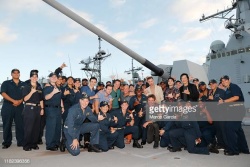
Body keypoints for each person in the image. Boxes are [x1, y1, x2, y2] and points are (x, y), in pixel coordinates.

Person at [219, 75, 249, 156]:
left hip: (237, 110)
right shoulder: (227, 90)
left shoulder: (233, 86)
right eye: (222, 81)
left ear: (229, 80)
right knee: (238, 130)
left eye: (225, 80)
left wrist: (224, 101)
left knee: (229, 129)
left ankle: (233, 150)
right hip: (232, 111)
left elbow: (236, 97)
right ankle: (244, 149)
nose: (224, 82)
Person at [0, 69, 25, 149]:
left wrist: (20, 101)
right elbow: (3, 93)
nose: (16, 74)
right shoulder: (6, 83)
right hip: (8, 106)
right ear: (11, 74)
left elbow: (26, 94)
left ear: (19, 74)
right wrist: (13, 101)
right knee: (7, 124)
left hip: (20, 106)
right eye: (14, 73)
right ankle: (6, 142)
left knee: (20, 125)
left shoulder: (23, 84)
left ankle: (20, 142)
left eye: (18, 73)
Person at [22, 70, 44, 151]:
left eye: (36, 76)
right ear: (30, 77)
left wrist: (42, 109)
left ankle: (34, 144)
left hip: (38, 108)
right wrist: (31, 92)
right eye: (33, 76)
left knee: (36, 128)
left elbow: (41, 99)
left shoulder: (39, 87)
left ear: (37, 78)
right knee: (29, 128)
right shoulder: (26, 86)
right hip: (29, 108)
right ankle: (27, 145)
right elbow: (25, 99)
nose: (34, 78)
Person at [43, 72, 65, 151]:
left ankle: (56, 143)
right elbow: (46, 97)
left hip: (58, 109)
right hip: (50, 109)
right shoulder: (47, 87)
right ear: (49, 78)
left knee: (57, 127)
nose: (54, 78)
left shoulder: (58, 87)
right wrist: (53, 92)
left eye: (55, 77)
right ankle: (50, 145)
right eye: (52, 77)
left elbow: (60, 98)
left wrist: (62, 106)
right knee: (51, 127)